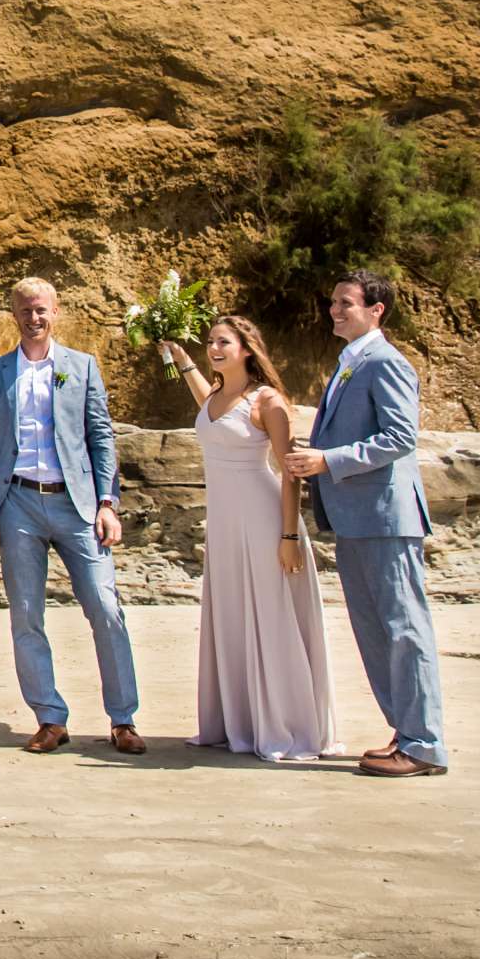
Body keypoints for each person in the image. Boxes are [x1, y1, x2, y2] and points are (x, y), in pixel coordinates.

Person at [283, 270, 449, 777]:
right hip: (357, 519)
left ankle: (424, 745)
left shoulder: (385, 362)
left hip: (385, 516)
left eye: (346, 303)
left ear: (377, 311)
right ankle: (405, 733)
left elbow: (400, 437)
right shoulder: (350, 363)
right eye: (333, 302)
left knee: (404, 629)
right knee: (375, 632)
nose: (334, 310)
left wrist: (327, 461)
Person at [0, 278, 142, 756]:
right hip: (17, 502)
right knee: (26, 614)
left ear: (56, 312)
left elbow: (102, 437)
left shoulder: (82, 367)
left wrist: (108, 503)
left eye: (42, 310)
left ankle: (123, 719)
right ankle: (49, 717)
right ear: (14, 315)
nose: (34, 318)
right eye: (25, 310)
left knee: (106, 609)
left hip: (78, 504)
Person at [162, 318, 340, 762]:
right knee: (233, 614)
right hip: (223, 522)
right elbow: (210, 408)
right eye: (209, 343)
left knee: (270, 614)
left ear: (247, 348)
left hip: (263, 519)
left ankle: (285, 725)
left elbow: (289, 473)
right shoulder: (216, 396)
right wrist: (183, 361)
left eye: (224, 342)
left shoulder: (268, 401)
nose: (214, 348)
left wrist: (288, 535)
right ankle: (239, 721)